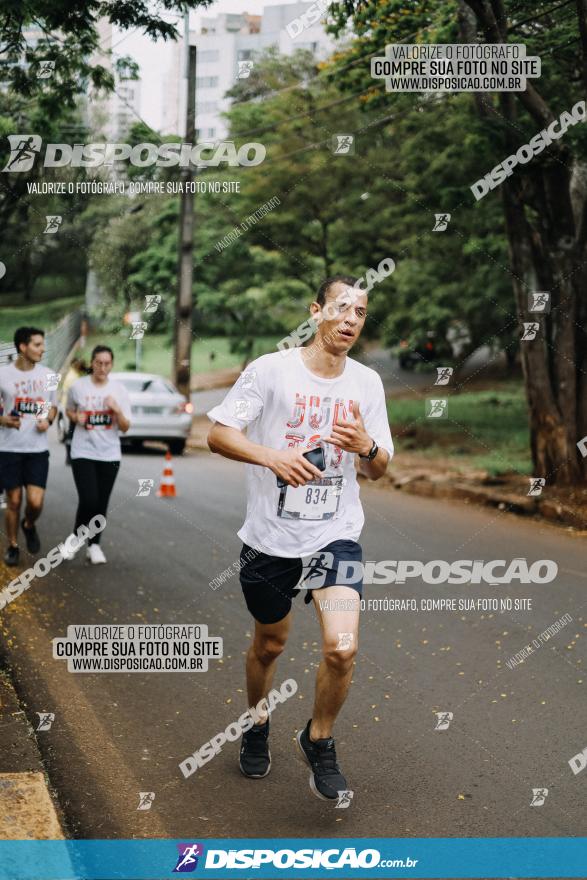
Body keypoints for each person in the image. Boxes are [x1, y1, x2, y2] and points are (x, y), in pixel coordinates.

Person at [207, 276, 393, 800]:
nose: (352, 319)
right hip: (271, 538)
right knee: (270, 644)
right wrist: (272, 456)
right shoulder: (271, 371)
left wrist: (367, 444)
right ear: (317, 312)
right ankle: (257, 719)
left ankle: (319, 739)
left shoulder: (367, 383)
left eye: (361, 311)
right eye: (342, 308)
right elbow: (218, 433)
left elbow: (379, 470)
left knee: (342, 647)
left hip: (335, 536)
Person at [64, 345, 131, 564]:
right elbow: (69, 410)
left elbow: (125, 427)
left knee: (101, 502)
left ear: (112, 365)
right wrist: (76, 418)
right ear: (92, 363)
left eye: (107, 363)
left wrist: (117, 410)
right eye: (98, 363)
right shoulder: (78, 387)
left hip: (109, 454)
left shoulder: (119, 390)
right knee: (89, 499)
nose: (102, 367)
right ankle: (75, 538)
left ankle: (94, 545)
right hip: (83, 451)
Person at [0, 327, 58, 566]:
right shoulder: (3, 375)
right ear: (23, 347)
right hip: (8, 448)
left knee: (35, 503)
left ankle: (29, 524)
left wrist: (48, 420)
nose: (42, 349)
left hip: (36, 449)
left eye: (42, 344)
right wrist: (2, 419)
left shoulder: (50, 375)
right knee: (13, 501)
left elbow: (52, 406)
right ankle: (13, 546)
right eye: (37, 344)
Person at [60, 357, 88, 465]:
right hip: (72, 409)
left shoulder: (72, 374)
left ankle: (69, 457)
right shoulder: (74, 378)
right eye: (81, 366)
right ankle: (70, 457)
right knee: (71, 434)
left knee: (70, 434)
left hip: (67, 406)